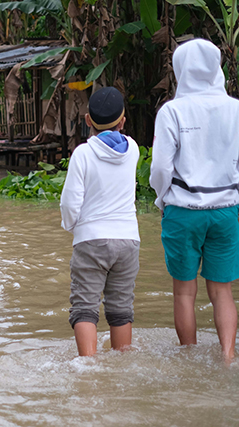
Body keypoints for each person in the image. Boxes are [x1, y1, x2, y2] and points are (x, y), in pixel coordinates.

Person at [150, 39, 239, 361]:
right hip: (227, 211)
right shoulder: (236, 109)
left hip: (183, 210)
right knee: (223, 291)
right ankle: (228, 357)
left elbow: (161, 167)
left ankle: (189, 358)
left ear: (180, 69)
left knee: (185, 292)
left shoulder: (172, 110)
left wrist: (162, 199)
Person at [59, 87, 140, 357]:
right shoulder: (134, 150)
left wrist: (74, 227)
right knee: (120, 310)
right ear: (123, 121)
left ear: (87, 120)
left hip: (91, 239)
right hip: (128, 240)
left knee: (84, 308)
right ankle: (123, 362)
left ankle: (88, 368)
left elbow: (70, 203)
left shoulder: (82, 154)